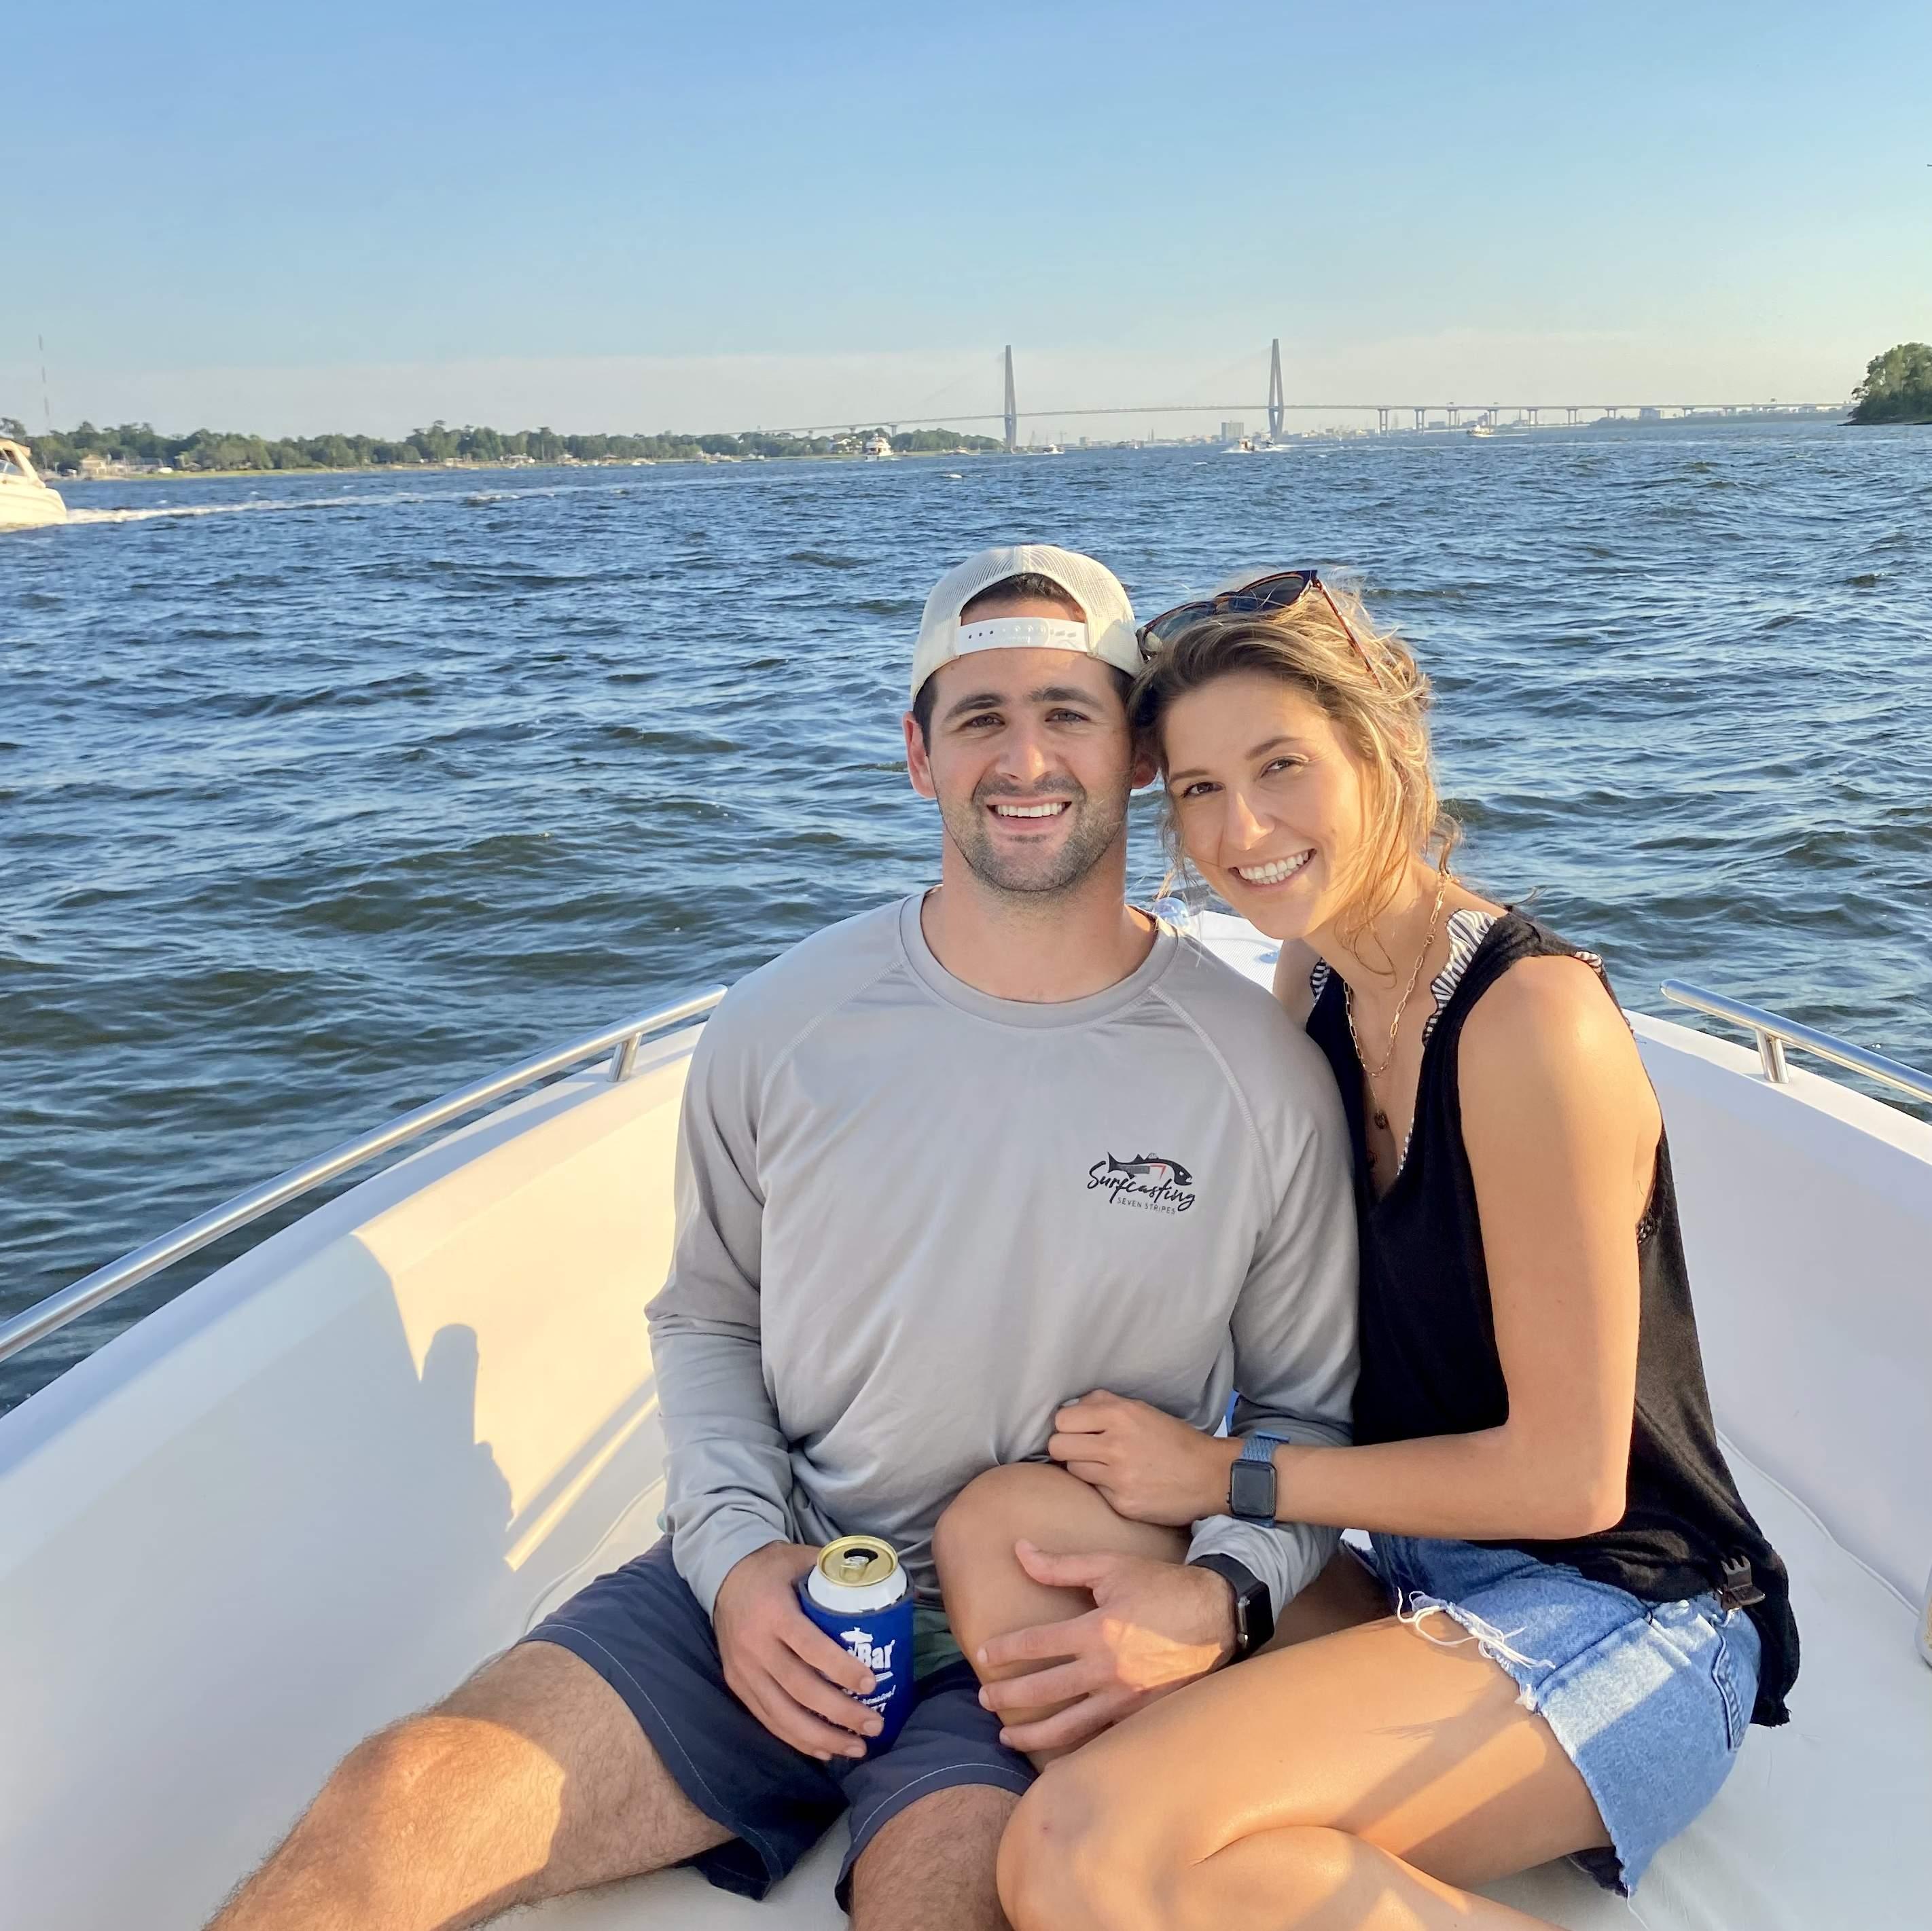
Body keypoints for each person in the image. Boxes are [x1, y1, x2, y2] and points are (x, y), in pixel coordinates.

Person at [203, 545, 1359, 1931]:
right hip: (781, 1571)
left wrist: (1220, 1598)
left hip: (1052, 1624)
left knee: (945, 1905)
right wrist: (740, 1559)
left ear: (1136, 758)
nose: (1027, 757)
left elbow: (1307, 1418)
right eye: (979, 717)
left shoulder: (1256, 1071)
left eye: (1069, 712)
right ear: (917, 756)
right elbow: (706, 1320)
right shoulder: (781, 1024)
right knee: (389, 1809)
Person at [965, 570, 1800, 1931]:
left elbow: (1571, 1479)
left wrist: (1222, 1476)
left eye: (1281, 766)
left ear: (1380, 752)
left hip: (1625, 1612)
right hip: (1406, 1572)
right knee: (1012, 1528)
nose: (1241, 830)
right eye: (1195, 789)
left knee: (1080, 1856)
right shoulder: (1317, 990)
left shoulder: (1533, 1022)